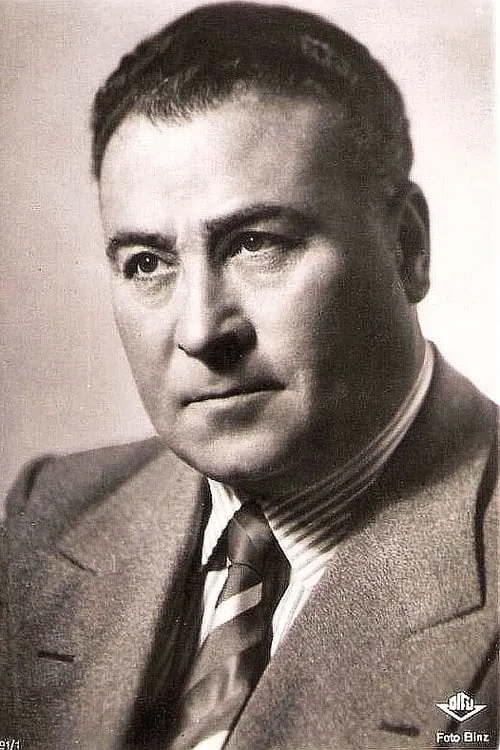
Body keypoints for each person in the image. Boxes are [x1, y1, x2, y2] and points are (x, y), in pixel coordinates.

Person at [1, 3, 497, 749]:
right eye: (147, 263)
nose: (203, 331)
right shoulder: (51, 514)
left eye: (256, 244)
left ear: (407, 247)